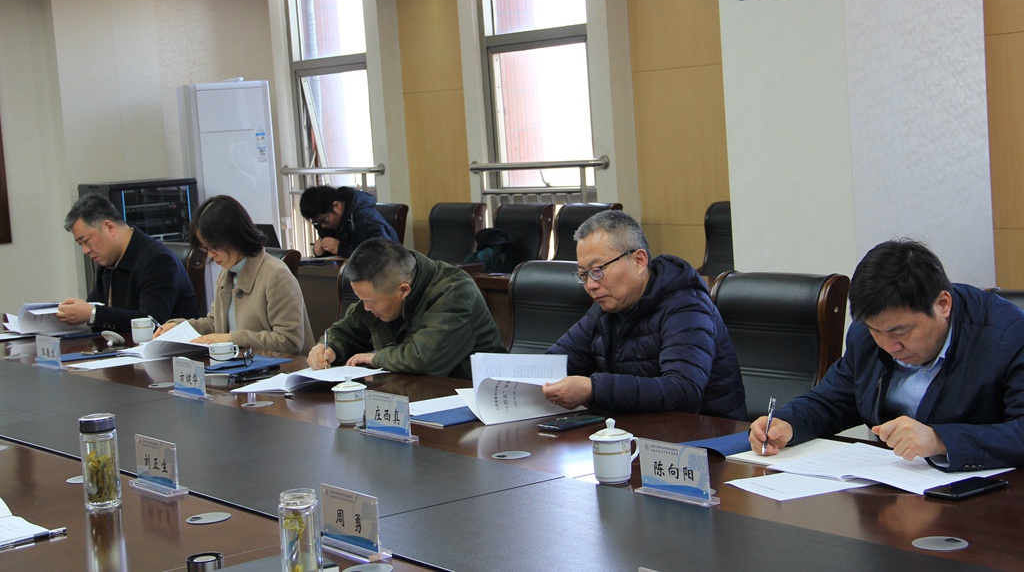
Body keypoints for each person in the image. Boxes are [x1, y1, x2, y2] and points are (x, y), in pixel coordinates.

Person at [750, 238, 1024, 471]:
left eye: (900, 331)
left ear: (942, 304)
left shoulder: (1009, 336)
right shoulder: (866, 335)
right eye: (876, 331)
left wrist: (940, 440)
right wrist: (789, 423)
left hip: (989, 494)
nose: (889, 345)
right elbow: (834, 400)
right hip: (896, 486)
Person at [543, 210, 746, 419]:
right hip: (633, 428)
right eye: (583, 275)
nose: (591, 285)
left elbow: (683, 391)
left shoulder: (687, 306)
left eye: (597, 270)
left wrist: (594, 389)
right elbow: (556, 363)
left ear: (639, 260)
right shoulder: (605, 308)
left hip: (706, 433)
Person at [306, 238, 505, 378]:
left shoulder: (455, 292)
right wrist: (328, 347)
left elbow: (423, 359)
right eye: (362, 300)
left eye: (370, 302)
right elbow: (348, 331)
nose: (366, 308)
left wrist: (377, 358)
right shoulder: (384, 292)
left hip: (476, 400)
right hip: (413, 395)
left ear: (403, 290)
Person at [155, 195, 314, 355]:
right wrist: (181, 327)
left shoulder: (276, 275)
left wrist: (232, 339)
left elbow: (289, 342)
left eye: (214, 246)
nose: (210, 254)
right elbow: (216, 324)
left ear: (235, 237)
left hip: (281, 367)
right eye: (205, 248)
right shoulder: (227, 273)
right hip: (241, 365)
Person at [56, 193, 200, 332]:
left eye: (86, 241)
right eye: (80, 244)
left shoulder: (158, 260)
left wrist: (92, 314)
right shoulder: (107, 263)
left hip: (167, 347)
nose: (85, 250)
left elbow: (151, 321)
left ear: (110, 227)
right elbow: (97, 309)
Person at [299, 186, 398, 258]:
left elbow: (382, 252)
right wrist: (321, 250)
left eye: (324, 220)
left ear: (336, 206)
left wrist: (340, 248)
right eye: (317, 223)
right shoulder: (332, 222)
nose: (323, 226)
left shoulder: (365, 218)